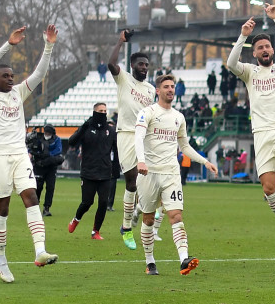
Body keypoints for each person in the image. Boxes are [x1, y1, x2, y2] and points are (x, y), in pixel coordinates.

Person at [0, 25, 60, 283]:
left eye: (12, 75)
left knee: (31, 196)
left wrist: (49, 45)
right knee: (2, 208)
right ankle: (1, 260)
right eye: (6, 75)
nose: (11, 79)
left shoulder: (18, 94)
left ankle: (40, 251)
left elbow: (39, 73)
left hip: (19, 154)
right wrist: (8, 44)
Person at [226, 6, 275, 253]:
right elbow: (231, 63)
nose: (264, 50)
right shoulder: (249, 72)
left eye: (267, 47)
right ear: (254, 53)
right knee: (269, 188)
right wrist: (242, 35)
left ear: (273, 50)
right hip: (261, 134)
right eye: (260, 48)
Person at [135, 74, 218, 275]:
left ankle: (183, 260)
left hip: (172, 174)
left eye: (173, 86)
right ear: (158, 91)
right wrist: (141, 160)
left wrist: (205, 161)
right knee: (148, 220)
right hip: (149, 174)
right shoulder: (148, 113)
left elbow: (185, 146)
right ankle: (150, 261)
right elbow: (138, 136)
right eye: (166, 87)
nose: (171, 89)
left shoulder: (179, 117)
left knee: (176, 216)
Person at [107, 30, 156, 250]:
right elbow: (110, 63)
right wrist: (120, 41)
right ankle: (126, 228)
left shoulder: (151, 90)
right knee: (131, 181)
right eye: (141, 64)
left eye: (146, 65)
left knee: (149, 181)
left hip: (145, 136)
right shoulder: (123, 78)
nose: (144, 67)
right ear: (133, 65)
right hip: (126, 135)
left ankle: (136, 213)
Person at [67, 102, 116, 240]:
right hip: (89, 172)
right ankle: (76, 219)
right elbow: (71, 142)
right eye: (100, 110)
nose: (103, 112)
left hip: (105, 172)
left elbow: (118, 149)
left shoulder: (111, 131)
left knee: (103, 202)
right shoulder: (86, 128)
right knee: (87, 202)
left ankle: (96, 231)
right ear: (94, 112)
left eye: (105, 110)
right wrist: (83, 127)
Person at [32, 125, 63, 216]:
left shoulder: (57, 140)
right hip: (39, 166)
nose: (46, 134)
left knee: (50, 187)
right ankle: (35, 207)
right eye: (45, 133)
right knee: (38, 187)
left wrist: (48, 155)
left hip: (51, 167)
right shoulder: (39, 139)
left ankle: (46, 208)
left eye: (48, 133)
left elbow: (58, 150)